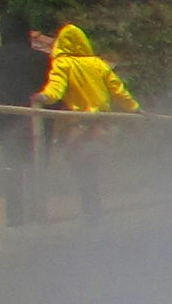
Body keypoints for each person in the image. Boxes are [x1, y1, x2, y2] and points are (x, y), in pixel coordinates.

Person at [34, 23, 136, 225]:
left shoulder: (63, 64)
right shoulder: (99, 64)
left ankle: (90, 213)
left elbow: (56, 89)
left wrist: (43, 97)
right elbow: (118, 90)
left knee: (81, 170)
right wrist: (134, 108)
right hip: (101, 127)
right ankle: (94, 213)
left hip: (76, 127)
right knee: (94, 170)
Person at [0, 18, 39, 224]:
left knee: (12, 169)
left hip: (4, 122)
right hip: (34, 124)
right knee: (36, 168)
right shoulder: (41, 59)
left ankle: (14, 217)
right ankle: (37, 214)